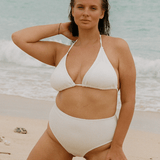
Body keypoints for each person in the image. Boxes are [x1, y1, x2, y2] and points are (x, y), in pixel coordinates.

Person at [12, 0, 136, 159]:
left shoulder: (118, 47)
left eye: (93, 8)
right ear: (72, 10)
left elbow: (128, 101)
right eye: (80, 7)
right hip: (56, 138)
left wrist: (117, 146)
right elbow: (19, 38)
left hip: (101, 143)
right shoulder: (61, 52)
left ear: (102, 13)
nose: (86, 13)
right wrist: (62, 28)